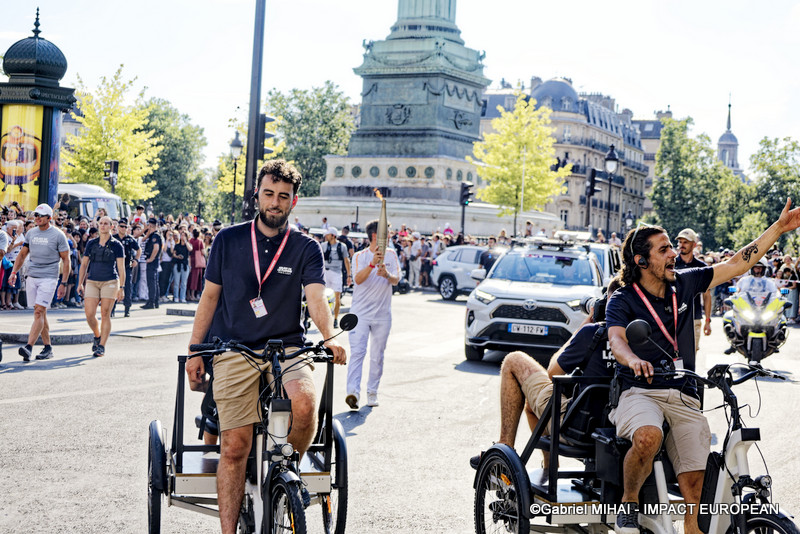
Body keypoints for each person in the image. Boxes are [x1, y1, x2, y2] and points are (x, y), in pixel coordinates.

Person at [606, 199, 800, 534]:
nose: (673, 254)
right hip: (640, 391)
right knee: (648, 436)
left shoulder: (684, 282)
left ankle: (692, 527)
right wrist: (633, 359)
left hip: (683, 392)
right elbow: (617, 339)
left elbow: (737, 263)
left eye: (672, 247)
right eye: (664, 249)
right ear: (641, 260)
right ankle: (630, 500)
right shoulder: (623, 299)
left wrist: (779, 228)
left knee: (697, 467)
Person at [185, 159, 346, 534]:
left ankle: (287, 469)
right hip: (235, 347)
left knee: (306, 407)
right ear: (257, 194)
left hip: (287, 346)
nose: (275, 202)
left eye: (283, 196)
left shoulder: (306, 247)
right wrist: (195, 349)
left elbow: (317, 299)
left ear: (293, 201)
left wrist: (331, 336)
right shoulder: (228, 239)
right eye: (269, 194)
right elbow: (209, 299)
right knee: (235, 447)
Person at [470, 280, 620, 469]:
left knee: (513, 360)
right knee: (531, 407)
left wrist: (583, 328)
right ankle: (549, 465)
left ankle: (505, 448)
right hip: (619, 427)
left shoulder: (593, 333)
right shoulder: (644, 338)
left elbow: (553, 372)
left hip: (577, 428)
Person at [345, 219, 400, 410]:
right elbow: (357, 280)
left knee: (377, 356)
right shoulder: (360, 256)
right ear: (376, 236)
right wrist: (372, 264)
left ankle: (372, 392)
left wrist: (386, 274)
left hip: (382, 315)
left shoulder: (392, 255)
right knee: (358, 353)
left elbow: (396, 281)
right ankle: (353, 392)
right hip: (360, 314)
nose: (390, 236)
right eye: (388, 233)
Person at [8, 204, 70, 361]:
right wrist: (14, 272)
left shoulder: (58, 235)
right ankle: (48, 348)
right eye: (35, 215)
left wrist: (63, 283)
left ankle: (28, 347)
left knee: (38, 312)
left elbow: (66, 259)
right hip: (32, 276)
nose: (37, 217)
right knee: (40, 312)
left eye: (40, 215)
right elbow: (22, 255)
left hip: (49, 277)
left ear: (49, 218)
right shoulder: (31, 233)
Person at [77, 216, 125, 357]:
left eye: (106, 224)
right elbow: (84, 264)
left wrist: (121, 287)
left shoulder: (117, 245)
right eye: (101, 223)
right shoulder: (91, 243)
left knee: (105, 314)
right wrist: (80, 283)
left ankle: (101, 346)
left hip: (110, 281)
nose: (103, 226)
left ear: (111, 226)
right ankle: (97, 335)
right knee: (89, 314)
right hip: (92, 280)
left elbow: (121, 268)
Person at [674, 228, 711, 352]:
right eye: (680, 242)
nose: (681, 245)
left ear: (694, 245)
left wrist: (707, 321)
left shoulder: (702, 267)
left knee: (690, 354)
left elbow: (707, 296)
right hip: (673, 317)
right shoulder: (671, 264)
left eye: (686, 242)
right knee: (672, 355)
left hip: (694, 317)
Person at [322, 227, 352, 328]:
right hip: (325, 272)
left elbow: (346, 260)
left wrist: (349, 275)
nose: (326, 236)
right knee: (324, 297)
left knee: (337, 297)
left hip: (336, 273)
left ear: (333, 235)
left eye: (328, 234)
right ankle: (326, 318)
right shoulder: (323, 245)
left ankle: (335, 318)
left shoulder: (341, 246)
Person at [112, 218, 140, 317]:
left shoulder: (130, 239)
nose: (123, 228)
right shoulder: (113, 238)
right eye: (121, 226)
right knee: (114, 288)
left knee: (127, 288)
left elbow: (138, 249)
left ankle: (127, 309)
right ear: (118, 227)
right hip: (114, 267)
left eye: (125, 226)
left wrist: (136, 260)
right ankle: (112, 309)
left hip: (126, 267)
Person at [140, 218, 162, 309]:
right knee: (154, 281)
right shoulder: (154, 235)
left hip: (152, 261)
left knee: (151, 282)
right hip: (154, 261)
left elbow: (156, 248)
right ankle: (155, 301)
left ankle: (151, 302)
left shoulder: (155, 236)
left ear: (150, 225)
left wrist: (151, 258)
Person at [171, 230, 191, 303]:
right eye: (181, 235)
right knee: (176, 282)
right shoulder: (177, 245)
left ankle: (182, 297)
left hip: (185, 265)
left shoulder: (188, 245)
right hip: (178, 264)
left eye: (184, 235)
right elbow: (173, 254)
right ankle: (176, 297)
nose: (182, 237)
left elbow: (190, 250)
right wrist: (177, 256)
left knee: (184, 283)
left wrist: (185, 241)